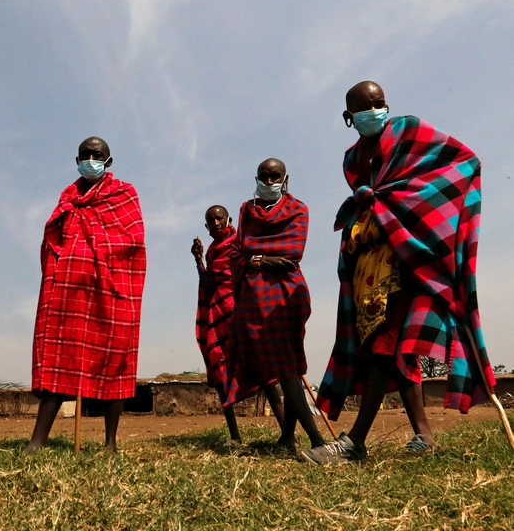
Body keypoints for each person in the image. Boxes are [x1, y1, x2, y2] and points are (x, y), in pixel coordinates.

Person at [304, 81, 494, 464]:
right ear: (349, 117)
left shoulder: (409, 132)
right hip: (370, 267)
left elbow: (465, 160)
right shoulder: (353, 160)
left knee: (384, 345)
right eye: (364, 106)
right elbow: (369, 203)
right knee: (398, 350)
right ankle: (424, 435)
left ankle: (356, 441)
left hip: (411, 256)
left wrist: (406, 203)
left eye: (379, 103)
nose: (375, 110)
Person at [26, 137, 146, 453]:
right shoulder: (68, 197)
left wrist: (97, 252)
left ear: (108, 160)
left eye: (97, 155)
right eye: (85, 155)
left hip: (112, 290)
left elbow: (132, 242)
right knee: (59, 358)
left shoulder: (123, 194)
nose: (91, 159)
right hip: (70, 290)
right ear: (76, 159)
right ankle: (37, 442)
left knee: (114, 360)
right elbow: (53, 238)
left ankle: (110, 443)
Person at [223, 159, 326, 455]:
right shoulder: (246, 210)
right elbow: (238, 253)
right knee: (285, 368)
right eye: (264, 177)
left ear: (285, 178)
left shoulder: (299, 210)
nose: (269, 182)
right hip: (254, 300)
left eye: (275, 176)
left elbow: (292, 252)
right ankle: (292, 440)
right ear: (256, 178)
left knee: (287, 367)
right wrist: (262, 261)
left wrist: (253, 257)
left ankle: (315, 442)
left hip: (288, 296)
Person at [191, 205, 285, 443]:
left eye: (219, 217)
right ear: (207, 228)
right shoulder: (212, 251)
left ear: (228, 218)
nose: (216, 222)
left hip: (244, 309)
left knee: (265, 372)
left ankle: (288, 435)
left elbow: (254, 269)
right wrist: (199, 259)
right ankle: (234, 436)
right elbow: (209, 284)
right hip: (221, 314)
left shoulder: (242, 239)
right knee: (222, 371)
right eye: (211, 220)